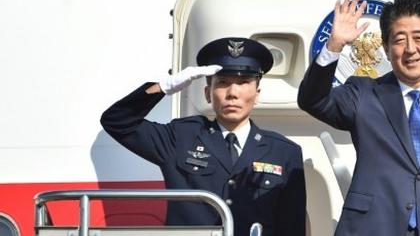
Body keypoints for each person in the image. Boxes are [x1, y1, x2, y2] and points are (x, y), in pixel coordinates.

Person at [298, 0, 420, 236]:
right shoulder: (364, 94)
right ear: (387, 49)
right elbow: (312, 100)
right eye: (399, 40)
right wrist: (334, 45)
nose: (410, 49)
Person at [101, 37, 306, 236]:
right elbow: (117, 122)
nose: (232, 93)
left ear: (257, 93)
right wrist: (163, 87)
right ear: (208, 93)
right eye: (223, 82)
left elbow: (291, 227)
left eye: (243, 82)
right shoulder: (181, 137)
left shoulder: (284, 152)